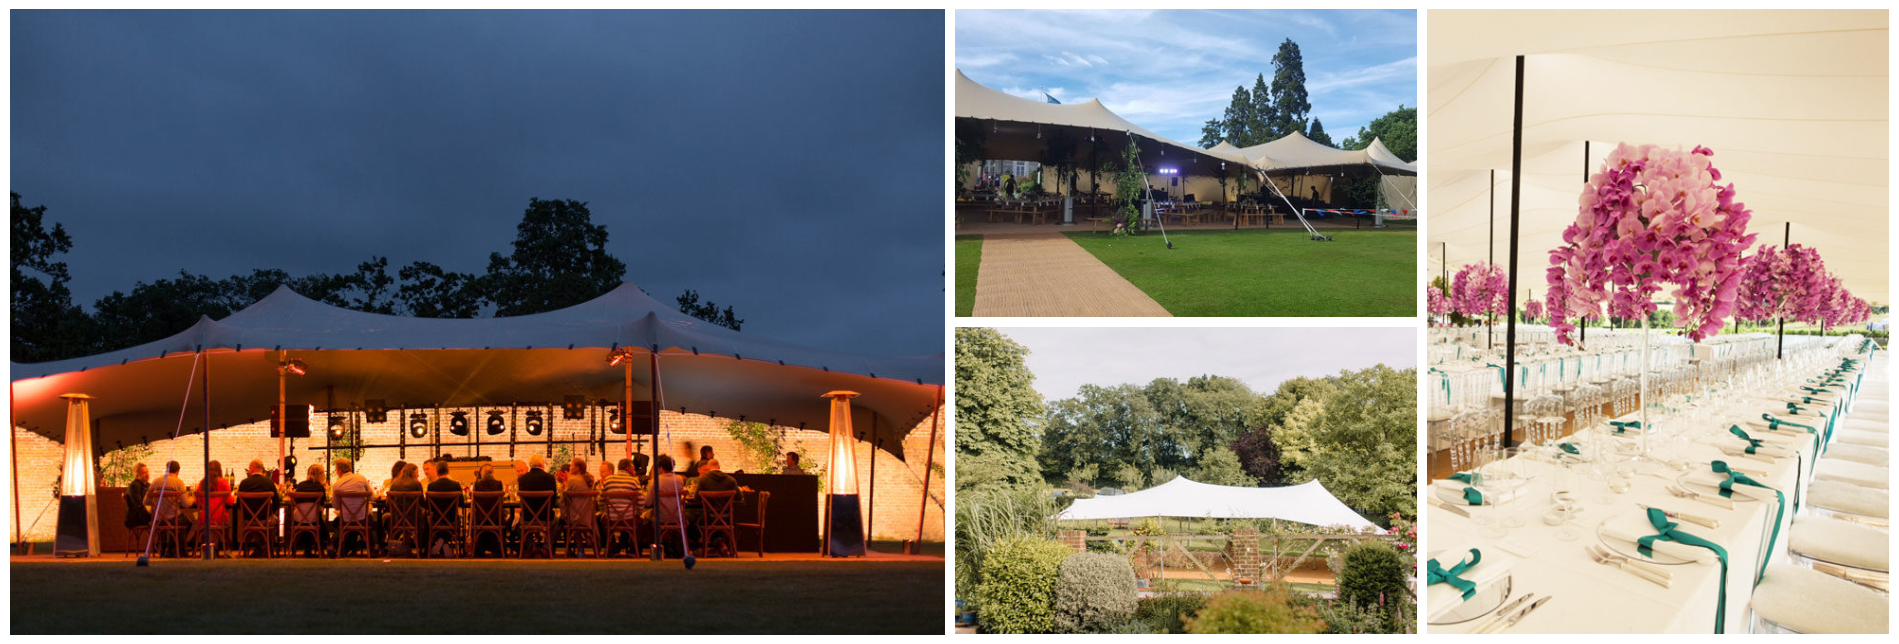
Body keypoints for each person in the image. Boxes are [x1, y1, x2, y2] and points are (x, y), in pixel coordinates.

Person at [598, 458, 643, 555]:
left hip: (611, 519)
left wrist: (604, 512)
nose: (635, 471)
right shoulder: (634, 481)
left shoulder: (608, 480)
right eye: (633, 468)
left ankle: (611, 546)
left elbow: (600, 500)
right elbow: (641, 502)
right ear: (628, 469)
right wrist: (637, 513)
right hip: (629, 519)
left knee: (601, 520)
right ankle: (634, 549)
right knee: (641, 521)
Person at [643, 454, 687, 556]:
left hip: (661, 517)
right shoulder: (679, 479)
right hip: (677, 517)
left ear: (661, 467)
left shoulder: (655, 481)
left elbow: (648, 502)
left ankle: (659, 546)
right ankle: (674, 546)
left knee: (646, 517)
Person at [235, 460, 280, 556]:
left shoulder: (244, 483)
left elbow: (238, 505)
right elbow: (277, 502)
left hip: (248, 521)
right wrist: (270, 512)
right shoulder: (269, 482)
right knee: (275, 521)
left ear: (251, 468)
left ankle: (259, 548)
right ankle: (266, 548)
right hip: (265, 520)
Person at [516, 455, 559, 556]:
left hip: (527, 518)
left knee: (516, 523)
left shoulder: (522, 479)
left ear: (530, 465)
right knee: (557, 521)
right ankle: (547, 547)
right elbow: (553, 501)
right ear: (542, 465)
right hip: (545, 517)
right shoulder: (550, 478)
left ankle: (531, 546)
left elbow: (521, 502)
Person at [424, 460, 463, 556]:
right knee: (456, 520)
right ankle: (445, 542)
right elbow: (461, 503)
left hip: (436, 520)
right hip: (452, 520)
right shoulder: (456, 485)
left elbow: (427, 506)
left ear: (437, 472)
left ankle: (441, 541)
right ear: (448, 471)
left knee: (430, 519)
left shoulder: (431, 486)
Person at [290, 464, 329, 557]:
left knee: (307, 518)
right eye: (323, 473)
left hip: (298, 520)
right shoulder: (320, 488)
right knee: (317, 518)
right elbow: (322, 505)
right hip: (314, 520)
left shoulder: (300, 486)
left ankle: (306, 549)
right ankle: (326, 542)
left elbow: (295, 502)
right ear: (319, 475)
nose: (324, 475)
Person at [469, 463, 505, 558]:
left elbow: (473, 502)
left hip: (480, 520)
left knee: (471, 517)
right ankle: (498, 550)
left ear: (482, 473)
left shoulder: (476, 485)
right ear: (493, 473)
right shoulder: (499, 484)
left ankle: (478, 550)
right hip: (496, 519)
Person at [196, 459, 233, 551]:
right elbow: (230, 502)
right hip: (221, 518)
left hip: (204, 518)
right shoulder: (224, 482)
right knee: (225, 524)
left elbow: (197, 502)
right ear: (220, 470)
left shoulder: (202, 483)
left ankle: (208, 548)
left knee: (201, 523)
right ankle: (223, 549)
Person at [124, 463, 153, 531]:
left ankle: (162, 541)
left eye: (147, 472)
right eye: (144, 473)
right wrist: (149, 518)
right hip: (135, 518)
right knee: (163, 522)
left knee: (165, 520)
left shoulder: (148, 485)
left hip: (143, 516)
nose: (147, 475)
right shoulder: (134, 486)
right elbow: (138, 505)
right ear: (137, 476)